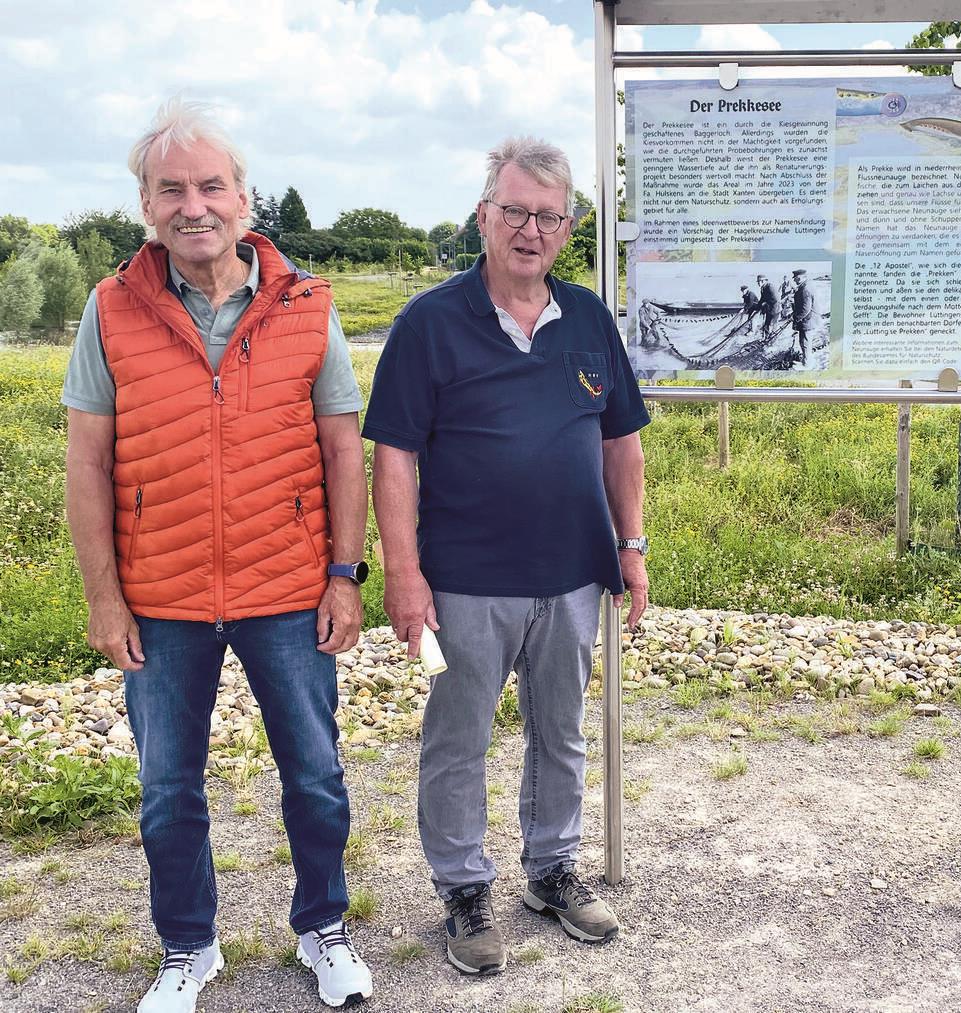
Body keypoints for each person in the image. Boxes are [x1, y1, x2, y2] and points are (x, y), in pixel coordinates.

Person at [62, 98, 373, 1011]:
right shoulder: (109, 309)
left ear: (243, 198)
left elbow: (343, 445)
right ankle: (188, 948)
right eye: (171, 190)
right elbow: (86, 456)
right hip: (160, 597)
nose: (193, 205)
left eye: (210, 186)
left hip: (287, 588)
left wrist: (345, 575)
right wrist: (104, 597)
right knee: (166, 789)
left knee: (315, 775)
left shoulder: (308, 303)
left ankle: (324, 929)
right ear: (148, 207)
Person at [364, 137, 650, 977]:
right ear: (484, 214)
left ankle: (551, 872)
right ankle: (462, 890)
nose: (531, 229)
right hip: (464, 580)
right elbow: (392, 458)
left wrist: (630, 547)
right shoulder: (429, 322)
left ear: (569, 227)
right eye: (515, 210)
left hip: (572, 575)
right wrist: (403, 572)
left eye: (549, 216)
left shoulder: (590, 318)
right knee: (458, 740)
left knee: (560, 733)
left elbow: (622, 445)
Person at [791, 269, 820, 366]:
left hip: (808, 320)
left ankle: (807, 364)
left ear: (803, 277)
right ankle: (806, 361)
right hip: (808, 319)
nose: (795, 280)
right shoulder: (805, 286)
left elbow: (805, 309)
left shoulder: (805, 289)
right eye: (795, 278)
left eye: (797, 278)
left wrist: (796, 317)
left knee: (805, 342)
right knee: (804, 342)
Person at [756, 273, 778, 337]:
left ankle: (771, 339)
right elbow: (762, 299)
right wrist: (758, 307)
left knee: (771, 326)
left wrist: (766, 303)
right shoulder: (763, 288)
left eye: (758, 282)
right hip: (769, 309)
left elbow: (776, 300)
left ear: (763, 281)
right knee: (767, 325)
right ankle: (767, 338)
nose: (758, 283)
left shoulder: (770, 287)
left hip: (774, 309)